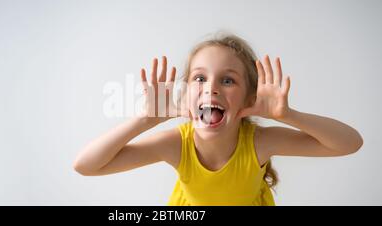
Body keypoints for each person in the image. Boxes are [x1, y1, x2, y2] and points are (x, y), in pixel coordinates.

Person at [73, 33, 363, 205]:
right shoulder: (176, 144)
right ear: (186, 95)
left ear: (250, 99)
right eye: (200, 78)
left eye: (227, 80)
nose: (210, 87)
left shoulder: (259, 142)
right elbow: (86, 166)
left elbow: (349, 143)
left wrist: (289, 115)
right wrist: (144, 121)